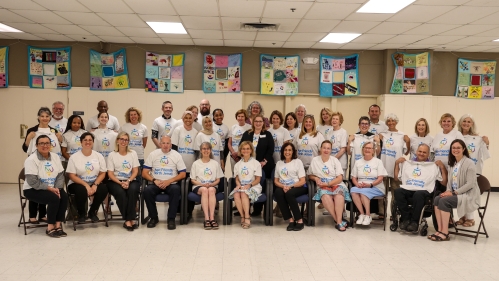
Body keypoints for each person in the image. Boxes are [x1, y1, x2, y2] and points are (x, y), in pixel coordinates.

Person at [430, 139, 480, 242]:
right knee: (437, 199)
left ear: (464, 149)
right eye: (453, 148)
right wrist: (448, 191)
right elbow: (450, 183)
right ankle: (440, 230)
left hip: (468, 195)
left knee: (444, 201)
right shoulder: (452, 163)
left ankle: (445, 232)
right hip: (455, 193)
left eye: (458, 148)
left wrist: (453, 193)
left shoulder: (469, 163)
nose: (455, 150)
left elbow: (470, 184)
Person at [394, 144, 448, 232]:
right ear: (416, 152)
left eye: (424, 152)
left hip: (424, 190)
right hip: (409, 188)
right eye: (420, 151)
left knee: (418, 194)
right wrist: (396, 164)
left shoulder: (433, 165)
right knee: (398, 191)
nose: (421, 154)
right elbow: (396, 178)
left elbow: (444, 182)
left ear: (428, 154)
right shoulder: (408, 164)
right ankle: (406, 218)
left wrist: (442, 167)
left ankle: (415, 222)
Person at [23, 107, 63, 224]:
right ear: (38, 117)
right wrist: (28, 139)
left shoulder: (53, 131)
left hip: (50, 162)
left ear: (50, 118)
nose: (44, 118)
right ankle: (32, 215)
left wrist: (60, 139)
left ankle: (43, 214)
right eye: (42, 116)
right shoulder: (32, 130)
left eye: (47, 116)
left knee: (47, 183)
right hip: (36, 161)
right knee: (36, 185)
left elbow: (58, 145)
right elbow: (25, 148)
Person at [23, 135, 68, 238]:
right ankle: (50, 227)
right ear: (36, 145)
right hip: (32, 189)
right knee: (53, 198)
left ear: (50, 145)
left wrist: (57, 188)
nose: (45, 145)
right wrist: (50, 189)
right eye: (41, 143)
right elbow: (32, 181)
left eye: (47, 143)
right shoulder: (31, 160)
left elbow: (61, 175)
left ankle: (58, 225)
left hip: (53, 187)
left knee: (64, 197)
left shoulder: (55, 157)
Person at [142, 136, 187, 230]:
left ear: (171, 144)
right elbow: (144, 173)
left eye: (167, 143)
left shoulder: (176, 155)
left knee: (176, 189)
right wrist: (154, 180)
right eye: (163, 143)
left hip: (171, 183)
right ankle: (154, 217)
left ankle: (171, 218)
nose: (165, 145)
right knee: (147, 190)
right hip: (156, 182)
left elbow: (183, 174)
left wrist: (169, 181)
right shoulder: (153, 154)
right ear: (160, 144)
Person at [308, 141, 351, 231]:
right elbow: (310, 175)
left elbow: (340, 177)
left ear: (331, 150)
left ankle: (338, 221)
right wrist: (316, 179)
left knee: (339, 194)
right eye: (324, 148)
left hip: (336, 183)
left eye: (328, 148)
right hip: (322, 185)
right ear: (320, 149)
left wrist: (328, 184)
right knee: (325, 195)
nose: (326, 150)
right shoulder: (315, 160)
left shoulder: (335, 160)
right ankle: (339, 221)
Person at [66, 132, 109, 224]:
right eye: (85, 140)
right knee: (81, 190)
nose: (88, 142)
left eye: (90, 140)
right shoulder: (74, 157)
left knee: (103, 189)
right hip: (77, 184)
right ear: (81, 142)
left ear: (93, 142)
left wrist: (95, 185)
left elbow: (102, 173)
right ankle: (81, 214)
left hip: (94, 182)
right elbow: (71, 175)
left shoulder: (98, 156)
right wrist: (86, 185)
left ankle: (92, 212)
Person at [456, 114, 490, 227]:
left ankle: (470, 218)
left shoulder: (478, 139)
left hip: (473, 170)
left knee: (470, 193)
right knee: (460, 192)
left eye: (469, 121)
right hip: (458, 170)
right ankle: (462, 216)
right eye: (464, 121)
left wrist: (486, 143)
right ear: (460, 123)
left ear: (472, 124)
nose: (466, 123)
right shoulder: (456, 136)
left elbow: (485, 155)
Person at [240, 115, 274, 217]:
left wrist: (264, 161)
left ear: (263, 123)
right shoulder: (247, 134)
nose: (258, 123)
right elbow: (242, 147)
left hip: (264, 165)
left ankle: (257, 210)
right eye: (256, 121)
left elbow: (270, 149)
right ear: (253, 122)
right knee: (246, 184)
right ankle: (245, 209)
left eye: (260, 121)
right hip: (248, 165)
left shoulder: (267, 134)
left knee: (260, 187)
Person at [107, 132, 140, 231]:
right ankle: (129, 219)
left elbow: (135, 171)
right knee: (121, 193)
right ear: (117, 140)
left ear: (128, 142)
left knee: (133, 190)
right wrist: (120, 182)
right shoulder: (112, 155)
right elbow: (110, 174)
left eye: (126, 140)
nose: (123, 142)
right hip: (115, 181)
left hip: (130, 180)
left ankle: (128, 219)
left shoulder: (132, 153)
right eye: (121, 139)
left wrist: (128, 181)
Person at [350, 142, 388, 226]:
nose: (367, 149)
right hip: (361, 186)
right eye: (365, 148)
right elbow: (353, 177)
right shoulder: (358, 162)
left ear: (373, 151)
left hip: (376, 186)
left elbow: (380, 178)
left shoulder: (378, 162)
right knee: (353, 191)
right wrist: (357, 184)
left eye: (370, 148)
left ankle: (368, 215)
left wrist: (370, 185)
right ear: (363, 149)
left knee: (364, 192)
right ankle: (362, 214)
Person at [228, 141, 263, 229]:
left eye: (247, 149)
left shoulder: (256, 163)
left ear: (251, 150)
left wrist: (249, 185)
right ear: (240, 150)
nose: (245, 150)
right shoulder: (237, 165)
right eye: (243, 149)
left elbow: (258, 179)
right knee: (236, 194)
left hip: (254, 186)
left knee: (244, 193)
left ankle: (247, 216)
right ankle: (242, 216)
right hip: (242, 186)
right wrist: (238, 185)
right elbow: (237, 178)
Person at [190, 142, 224, 230]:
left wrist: (212, 184)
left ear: (210, 150)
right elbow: (193, 180)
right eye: (204, 149)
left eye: (208, 149)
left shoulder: (215, 163)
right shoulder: (196, 163)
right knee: (205, 190)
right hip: (199, 185)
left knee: (211, 190)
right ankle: (206, 219)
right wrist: (202, 184)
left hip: (212, 185)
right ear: (201, 151)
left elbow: (218, 179)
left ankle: (212, 218)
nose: (206, 150)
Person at [273, 143, 307, 231]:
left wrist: (290, 186)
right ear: (282, 151)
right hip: (283, 186)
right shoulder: (279, 163)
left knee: (289, 193)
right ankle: (290, 220)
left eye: (289, 150)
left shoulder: (297, 162)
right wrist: (284, 186)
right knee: (278, 193)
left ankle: (299, 220)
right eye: (285, 150)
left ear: (293, 152)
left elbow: (302, 181)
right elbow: (276, 181)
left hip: (298, 186)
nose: (287, 152)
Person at [379, 113, 410, 207]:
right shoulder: (382, 135)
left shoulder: (402, 135)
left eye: (393, 120)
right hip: (383, 166)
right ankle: (382, 212)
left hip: (396, 168)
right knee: (381, 191)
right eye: (388, 121)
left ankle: (394, 212)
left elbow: (406, 152)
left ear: (396, 122)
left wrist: (408, 142)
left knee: (396, 191)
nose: (391, 122)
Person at [120, 107, 147, 182]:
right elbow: (120, 141)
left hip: (139, 156)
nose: (133, 116)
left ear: (138, 115)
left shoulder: (143, 127)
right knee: (127, 176)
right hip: (126, 155)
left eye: (135, 114)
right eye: (131, 115)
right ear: (128, 116)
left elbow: (144, 143)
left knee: (138, 177)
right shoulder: (124, 127)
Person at [171, 111, 199, 176]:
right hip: (179, 163)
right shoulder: (178, 130)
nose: (188, 120)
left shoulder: (195, 132)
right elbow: (173, 148)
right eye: (186, 118)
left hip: (191, 163)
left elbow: (196, 150)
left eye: (190, 118)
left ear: (193, 119)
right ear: (183, 119)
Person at [326, 111, 348, 176]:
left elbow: (343, 149)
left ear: (340, 121)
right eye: (333, 119)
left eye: (336, 119)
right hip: (331, 161)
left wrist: (334, 159)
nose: (334, 120)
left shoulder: (343, 132)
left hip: (340, 161)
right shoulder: (329, 131)